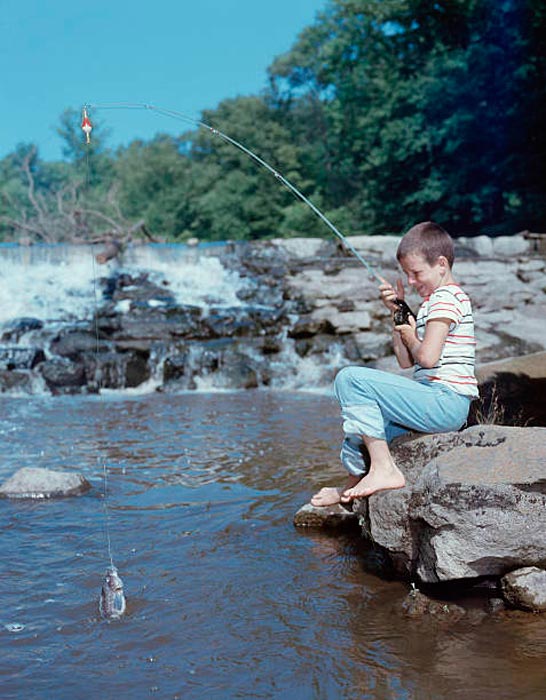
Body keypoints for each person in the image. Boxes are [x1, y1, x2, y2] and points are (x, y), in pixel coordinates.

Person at [311, 221, 479, 506]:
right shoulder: (432, 303)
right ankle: (350, 491)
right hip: (432, 402)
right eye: (406, 274)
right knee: (359, 430)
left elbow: (426, 357)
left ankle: (384, 470)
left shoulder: (446, 299)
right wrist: (398, 314)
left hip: (445, 403)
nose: (411, 281)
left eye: (416, 273)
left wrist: (412, 336)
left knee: (350, 379)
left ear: (441, 264)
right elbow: (405, 361)